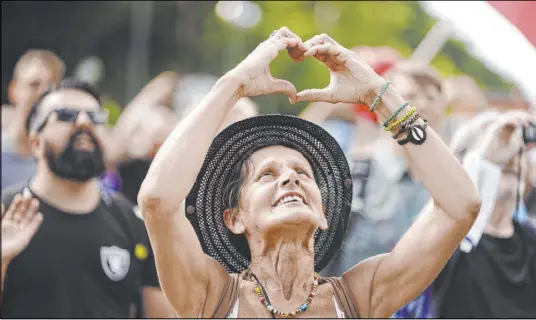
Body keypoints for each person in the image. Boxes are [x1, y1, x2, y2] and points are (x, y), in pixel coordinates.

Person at [137, 27, 481, 318]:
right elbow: (157, 200)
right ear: (235, 218)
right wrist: (233, 84)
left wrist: (378, 94)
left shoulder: (358, 298)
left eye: (303, 173)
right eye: (267, 175)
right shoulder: (213, 296)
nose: (291, 177)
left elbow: (459, 206)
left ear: (324, 212)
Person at [1, 79, 175, 318]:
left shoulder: (131, 221)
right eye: (65, 115)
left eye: (95, 117)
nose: (83, 122)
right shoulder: (7, 213)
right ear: (35, 142)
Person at [394, 111, 536, 318]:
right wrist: (485, 162)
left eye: (516, 148)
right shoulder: (444, 236)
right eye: (494, 143)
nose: (508, 153)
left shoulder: (530, 239)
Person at [321, 60, 450, 276]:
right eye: (409, 97)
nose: (422, 105)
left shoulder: (450, 183)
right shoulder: (353, 173)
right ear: (382, 108)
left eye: (430, 97)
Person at [2, 49, 65, 189]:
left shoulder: (65, 161)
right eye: (34, 84)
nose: (42, 93)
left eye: (51, 86)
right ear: (13, 90)